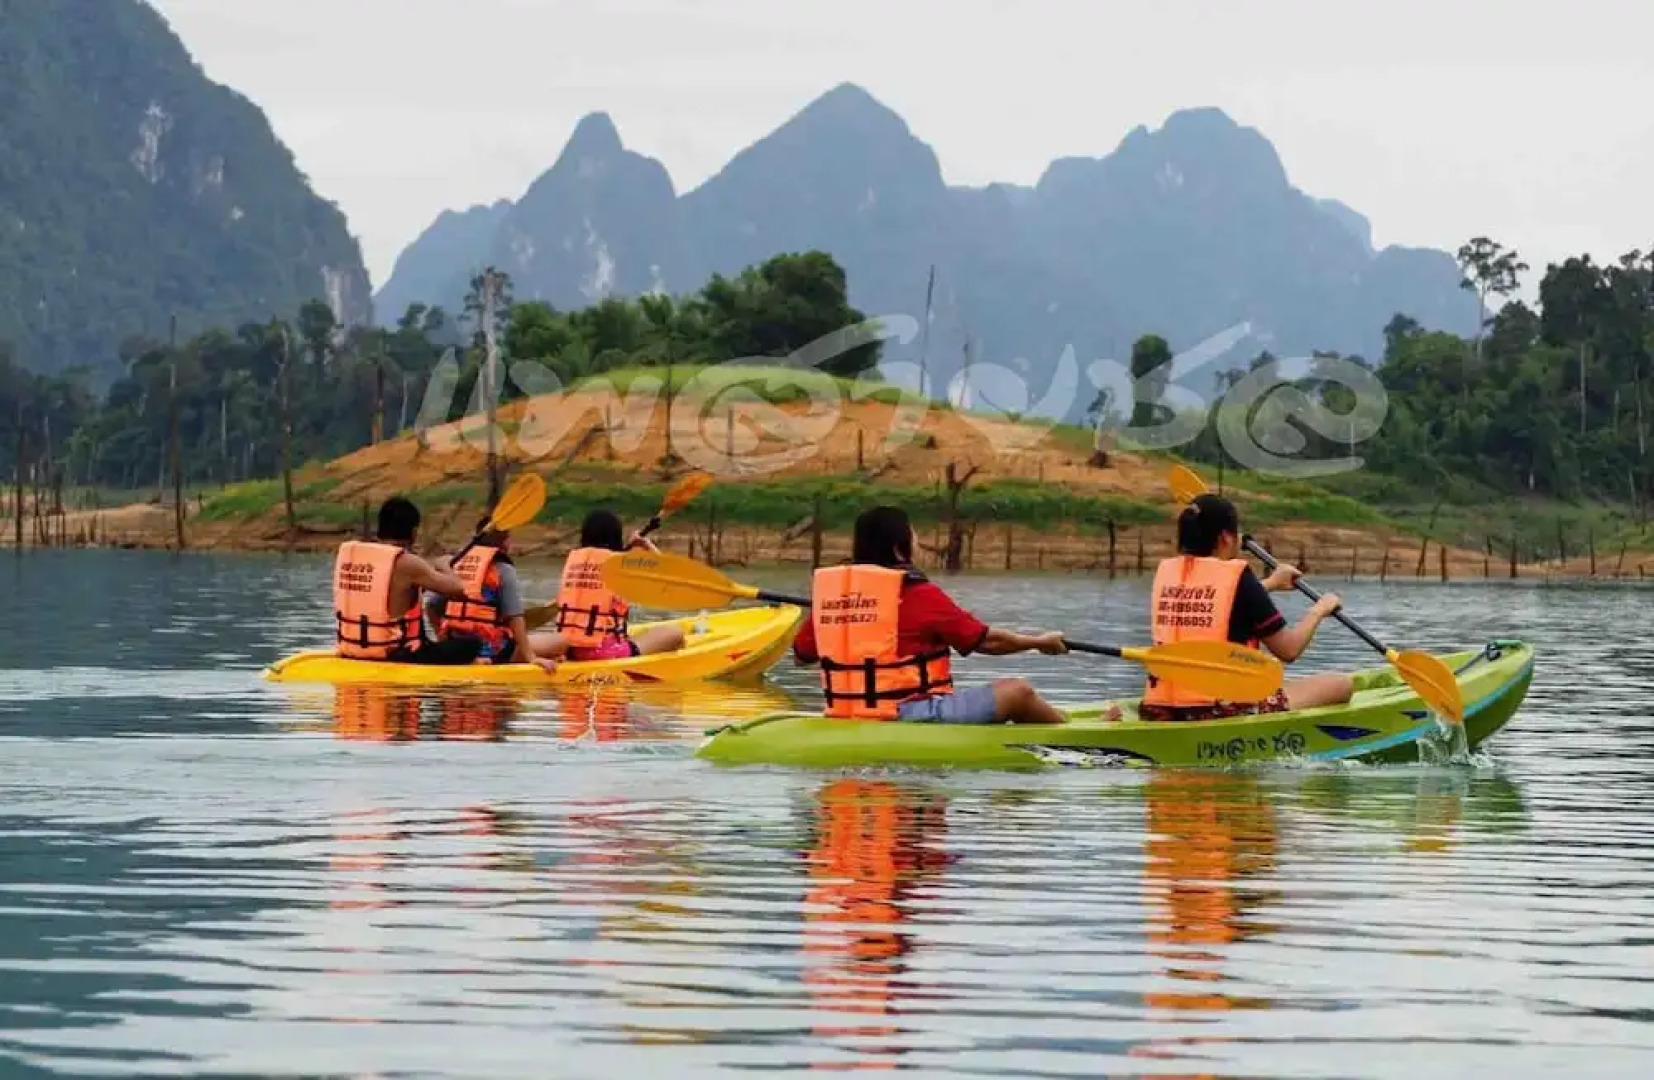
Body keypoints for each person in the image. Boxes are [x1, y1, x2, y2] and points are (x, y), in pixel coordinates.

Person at [792, 505, 1069, 724]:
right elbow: (986, 642)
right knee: (1019, 692)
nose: (917, 544)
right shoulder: (920, 594)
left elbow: (801, 657)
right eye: (913, 537)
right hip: (909, 713)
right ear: (898, 547)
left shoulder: (834, 599)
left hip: (846, 712)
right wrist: (1039, 642)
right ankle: (1067, 738)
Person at [1140, 493, 1354, 722]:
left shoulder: (1169, 575)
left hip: (1160, 708)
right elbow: (1288, 649)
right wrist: (1319, 610)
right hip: (1222, 709)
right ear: (1225, 538)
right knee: (1341, 684)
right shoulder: (1240, 578)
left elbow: (1217, 603)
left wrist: (1270, 583)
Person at [332, 496, 481, 665]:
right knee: (472, 643)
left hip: (354, 647)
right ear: (413, 532)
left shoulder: (357, 558)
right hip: (398, 653)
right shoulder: (407, 562)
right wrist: (445, 565)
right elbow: (458, 590)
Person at [542, 509, 687, 662]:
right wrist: (646, 545)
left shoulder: (575, 566)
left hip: (570, 649)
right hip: (606, 653)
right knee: (674, 633)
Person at [429, 518, 559, 673]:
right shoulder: (504, 569)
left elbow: (431, 606)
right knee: (561, 642)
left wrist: (442, 639)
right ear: (504, 542)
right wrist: (531, 657)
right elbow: (514, 617)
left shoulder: (458, 566)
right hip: (493, 651)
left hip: (457, 647)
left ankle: (465, 657)